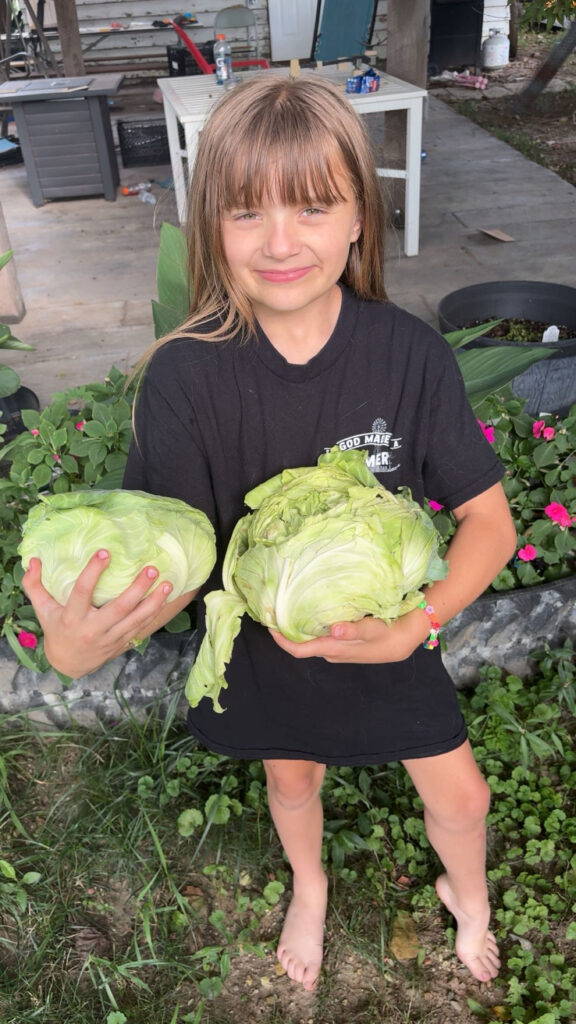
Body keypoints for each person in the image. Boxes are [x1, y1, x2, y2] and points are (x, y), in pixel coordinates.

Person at [23, 74, 517, 993]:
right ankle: (311, 885)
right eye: (246, 211)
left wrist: (418, 623)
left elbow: (489, 520)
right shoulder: (185, 380)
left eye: (314, 206)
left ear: (361, 217)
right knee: (292, 782)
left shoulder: (409, 354)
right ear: (210, 226)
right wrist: (78, 645)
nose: (281, 242)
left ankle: (470, 893)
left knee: (464, 795)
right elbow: (170, 563)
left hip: (387, 633)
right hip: (265, 645)